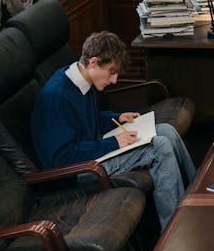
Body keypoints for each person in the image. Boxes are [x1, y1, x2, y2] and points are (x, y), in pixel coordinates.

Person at [31, 31, 196, 230]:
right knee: (159, 147)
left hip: (92, 151)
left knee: (166, 130)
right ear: (94, 62)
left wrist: (116, 118)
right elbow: (61, 158)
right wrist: (114, 143)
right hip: (77, 171)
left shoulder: (80, 79)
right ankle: (174, 231)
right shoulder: (57, 97)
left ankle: (196, 198)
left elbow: (83, 121)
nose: (114, 80)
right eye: (111, 72)